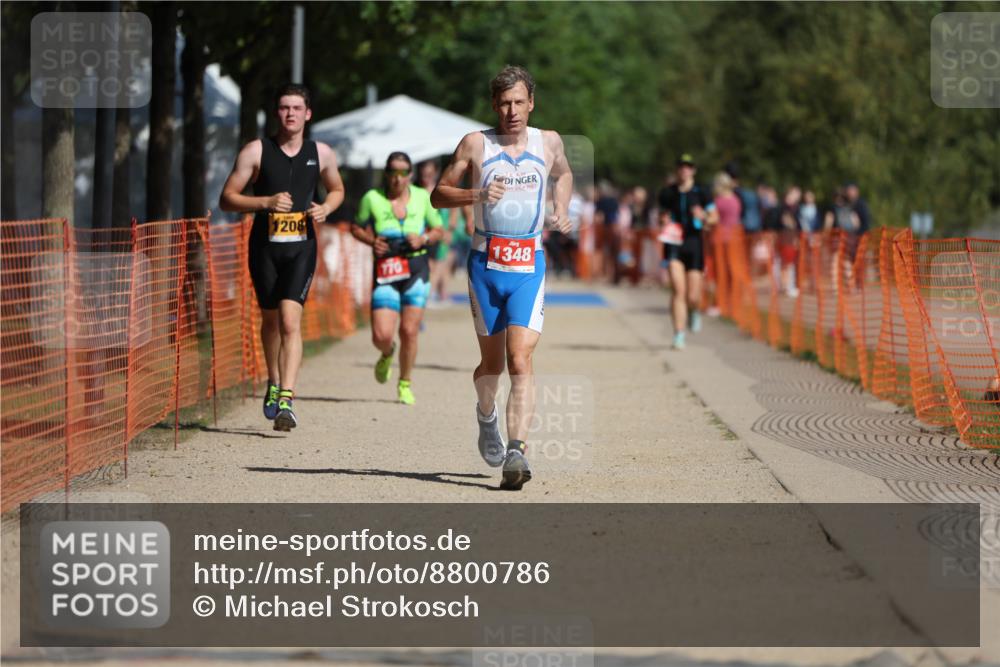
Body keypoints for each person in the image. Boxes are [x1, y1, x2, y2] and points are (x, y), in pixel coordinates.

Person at [432, 65, 573, 490]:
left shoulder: (549, 142)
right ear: (495, 105)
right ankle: (486, 414)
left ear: (532, 104)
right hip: (485, 266)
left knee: (520, 359)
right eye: (505, 103)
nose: (512, 111)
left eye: (519, 102)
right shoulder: (476, 144)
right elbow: (438, 194)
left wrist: (561, 207)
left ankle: (517, 451)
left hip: (528, 264)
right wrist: (476, 193)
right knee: (491, 366)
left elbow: (564, 174)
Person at [220, 83, 344, 432]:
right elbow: (227, 198)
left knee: (290, 320)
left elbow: (337, 189)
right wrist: (265, 202)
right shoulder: (256, 151)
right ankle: (274, 381)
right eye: (284, 108)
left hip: (302, 247)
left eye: (296, 108)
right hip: (265, 247)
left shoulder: (321, 153)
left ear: (308, 114)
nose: (290, 114)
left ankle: (287, 398)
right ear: (277, 113)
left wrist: (326, 208)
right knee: (271, 320)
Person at [352, 152, 444, 405]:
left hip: (416, 269)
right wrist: (372, 240)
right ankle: (387, 352)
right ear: (386, 173)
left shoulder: (422, 197)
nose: (398, 178)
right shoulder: (372, 198)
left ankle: (405, 383)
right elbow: (355, 227)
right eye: (393, 172)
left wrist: (423, 238)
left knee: (409, 331)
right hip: (386, 271)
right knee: (381, 335)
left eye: (403, 173)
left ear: (410, 175)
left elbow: (438, 229)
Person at [657, 153, 718, 350]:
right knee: (678, 290)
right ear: (677, 170)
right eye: (681, 166)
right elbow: (661, 216)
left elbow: (714, 218)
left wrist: (704, 216)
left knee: (692, 296)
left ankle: (694, 310)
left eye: (688, 166)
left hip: (694, 244)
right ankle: (679, 334)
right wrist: (663, 220)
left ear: (693, 170)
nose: (684, 170)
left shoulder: (702, 192)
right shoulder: (667, 193)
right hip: (673, 243)